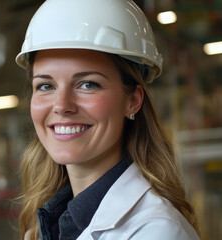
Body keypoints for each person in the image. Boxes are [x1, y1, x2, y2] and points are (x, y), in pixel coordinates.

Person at [15, 0, 201, 239]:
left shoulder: (157, 231)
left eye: (88, 84)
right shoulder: (47, 224)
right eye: (45, 85)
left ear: (132, 100)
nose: (61, 105)